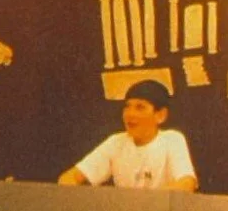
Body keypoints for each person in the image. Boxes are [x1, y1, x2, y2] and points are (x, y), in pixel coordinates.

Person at [58, 80, 198, 191]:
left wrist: (141, 204)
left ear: (160, 115)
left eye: (140, 107)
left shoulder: (172, 139)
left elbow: (186, 184)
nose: (130, 114)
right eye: (127, 106)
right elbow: (69, 178)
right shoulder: (115, 142)